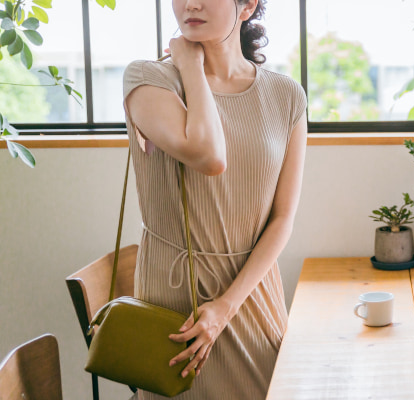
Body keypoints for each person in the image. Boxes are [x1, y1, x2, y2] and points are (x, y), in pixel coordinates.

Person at [122, 0, 307, 398]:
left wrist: (227, 305)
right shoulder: (148, 79)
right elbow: (209, 156)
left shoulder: (286, 95)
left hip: (251, 298)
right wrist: (190, 67)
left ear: (247, 6)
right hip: (175, 305)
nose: (190, 3)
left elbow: (282, 218)